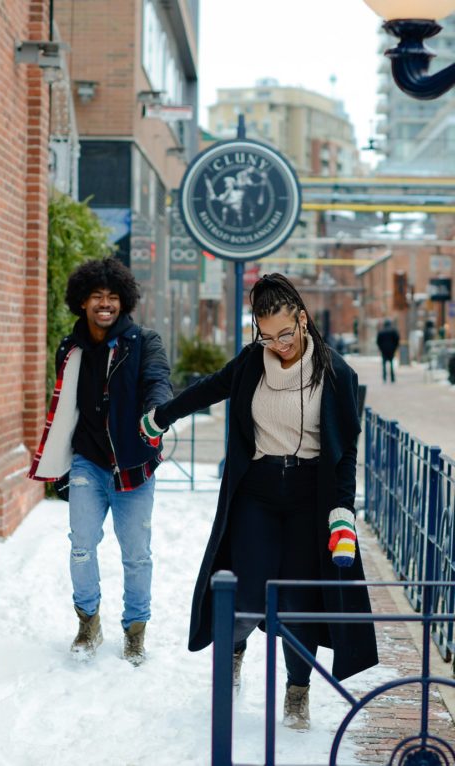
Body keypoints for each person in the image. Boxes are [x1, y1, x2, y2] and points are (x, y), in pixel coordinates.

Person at [141, 273, 378, 729]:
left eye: (285, 334)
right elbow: (209, 388)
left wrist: (342, 513)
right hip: (257, 490)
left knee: (296, 599)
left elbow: (345, 450)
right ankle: (232, 657)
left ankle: (297, 690)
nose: (277, 344)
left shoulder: (336, 373)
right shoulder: (253, 362)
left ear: (303, 320)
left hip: (310, 495)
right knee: (245, 583)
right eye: (266, 336)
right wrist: (161, 417)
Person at [29, 256, 173, 664]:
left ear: (123, 302)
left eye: (112, 297)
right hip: (88, 463)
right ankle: (88, 620)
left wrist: (156, 412)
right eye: (96, 297)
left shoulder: (144, 341)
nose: (105, 304)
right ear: (82, 303)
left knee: (137, 554)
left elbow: (158, 381)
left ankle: (135, 630)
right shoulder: (70, 347)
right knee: (81, 546)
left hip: (134, 466)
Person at [376, 318, 399, 383]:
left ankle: (384, 378)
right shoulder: (393, 331)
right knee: (391, 365)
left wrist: (381, 349)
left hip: (384, 351)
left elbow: (378, 341)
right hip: (391, 350)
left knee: (384, 365)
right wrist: (394, 348)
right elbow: (397, 340)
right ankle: (392, 378)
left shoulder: (381, 332)